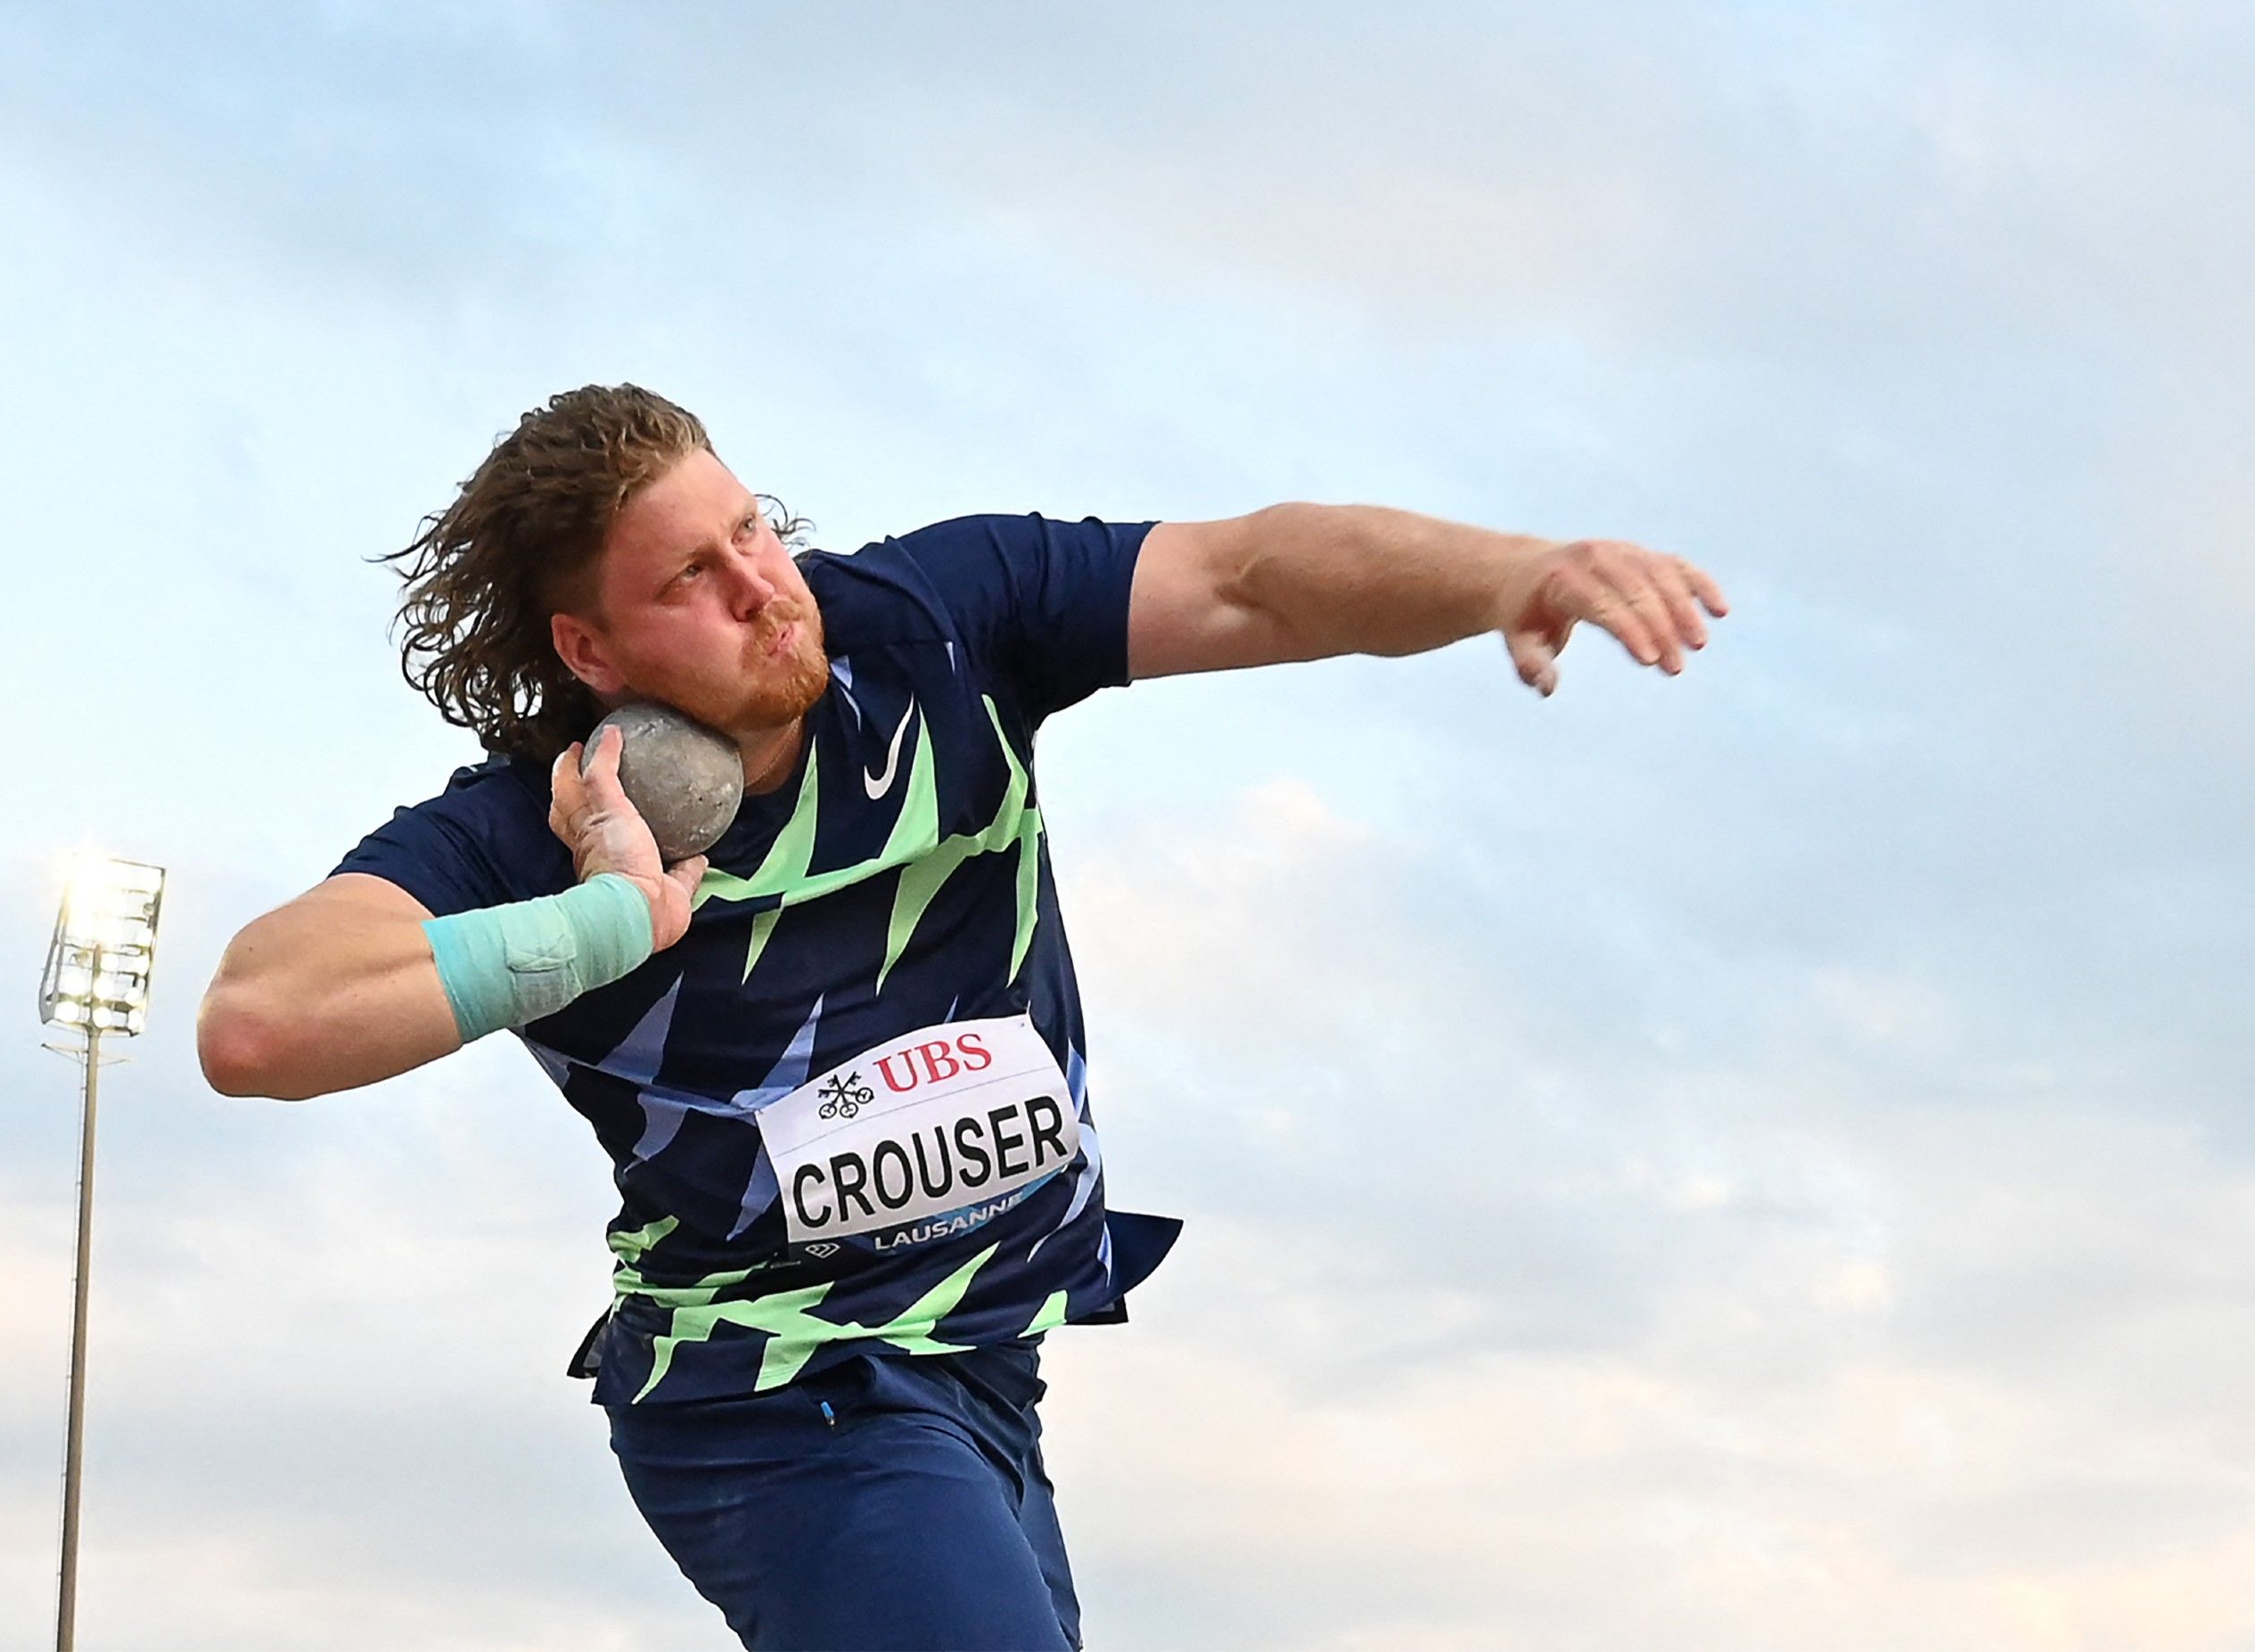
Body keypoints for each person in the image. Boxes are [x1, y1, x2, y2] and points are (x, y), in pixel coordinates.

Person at [195, 382, 1728, 1651]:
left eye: (752, 532)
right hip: (769, 1392)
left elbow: (1246, 573)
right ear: (590, 652)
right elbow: (259, 1020)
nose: (762, 591)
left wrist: (1506, 576)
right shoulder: (543, 831)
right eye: (692, 581)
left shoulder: (936, 624)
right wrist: (602, 922)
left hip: (987, 1369)